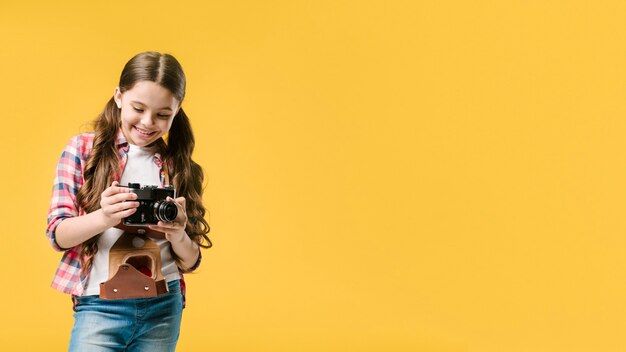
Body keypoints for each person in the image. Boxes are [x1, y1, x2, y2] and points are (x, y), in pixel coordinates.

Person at [45, 51, 212, 351]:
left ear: (177, 110)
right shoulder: (83, 150)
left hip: (164, 303)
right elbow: (58, 235)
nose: (148, 122)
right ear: (119, 97)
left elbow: (191, 260)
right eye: (138, 108)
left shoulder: (177, 164)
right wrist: (104, 217)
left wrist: (177, 233)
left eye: (163, 115)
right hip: (99, 304)